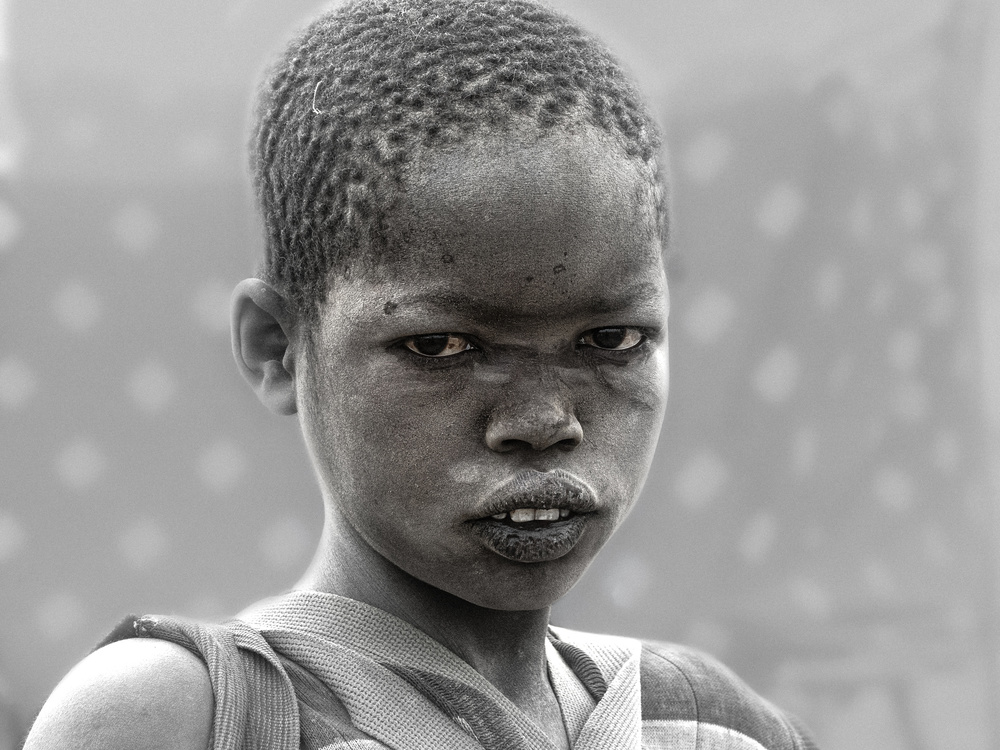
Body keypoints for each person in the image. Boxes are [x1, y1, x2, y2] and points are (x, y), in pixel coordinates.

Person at [25, 1, 817, 748]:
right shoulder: (193, 718)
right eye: (444, 347)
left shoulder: (712, 725)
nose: (544, 421)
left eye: (610, 339)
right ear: (276, 346)